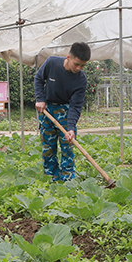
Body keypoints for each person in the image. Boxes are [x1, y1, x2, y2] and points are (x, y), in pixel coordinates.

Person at [34, 42, 91, 181]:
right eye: (76, 64)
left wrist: (71, 128)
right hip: (47, 109)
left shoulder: (81, 80)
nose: (79, 68)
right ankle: (51, 176)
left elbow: (76, 106)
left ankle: (68, 179)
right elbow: (38, 79)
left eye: (82, 65)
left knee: (67, 146)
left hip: (65, 111)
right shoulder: (52, 63)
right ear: (68, 57)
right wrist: (40, 99)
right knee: (48, 146)